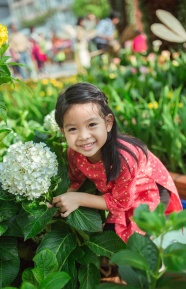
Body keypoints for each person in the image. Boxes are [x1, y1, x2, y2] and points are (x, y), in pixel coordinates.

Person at [49, 82, 182, 243]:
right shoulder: (74, 153)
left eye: (91, 125)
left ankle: (157, 256)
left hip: (149, 190)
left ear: (108, 123)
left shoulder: (124, 158)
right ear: (63, 131)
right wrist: (59, 200)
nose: (83, 136)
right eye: (72, 129)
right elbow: (76, 180)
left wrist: (77, 199)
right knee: (112, 237)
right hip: (120, 192)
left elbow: (120, 203)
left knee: (137, 240)